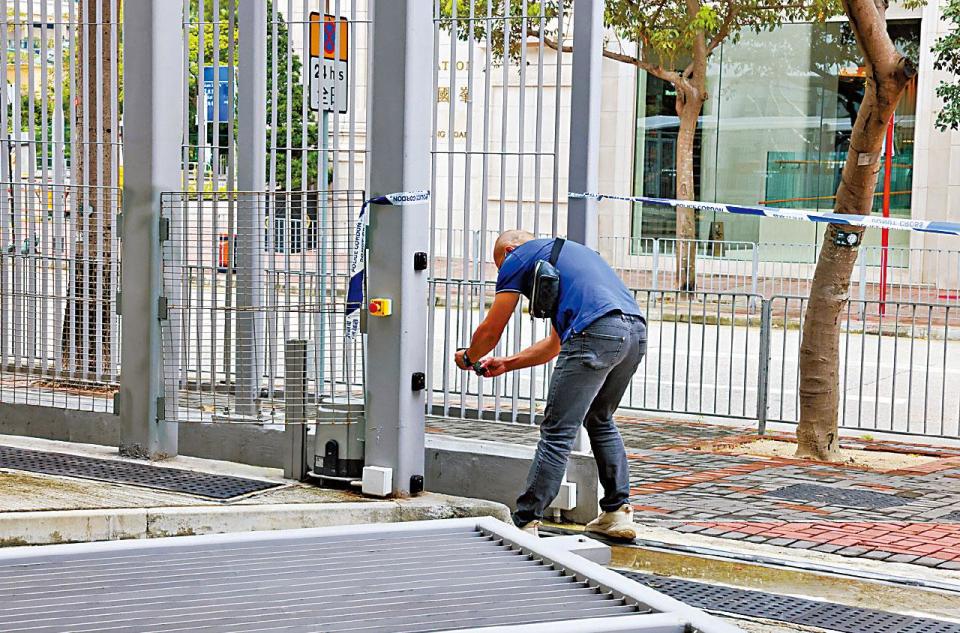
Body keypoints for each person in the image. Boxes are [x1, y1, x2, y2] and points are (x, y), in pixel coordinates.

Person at [455, 230, 646, 539]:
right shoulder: (577, 257)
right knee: (599, 419)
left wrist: (468, 356)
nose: (503, 272)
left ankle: (526, 521)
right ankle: (616, 513)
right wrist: (508, 363)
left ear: (510, 249)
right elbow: (555, 345)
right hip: (635, 333)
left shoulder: (518, 256)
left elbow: (491, 330)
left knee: (557, 431)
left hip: (595, 333)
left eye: (499, 263)